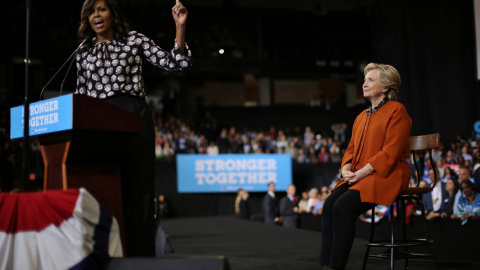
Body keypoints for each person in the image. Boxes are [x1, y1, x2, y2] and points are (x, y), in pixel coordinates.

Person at [75, 0, 191, 256]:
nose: (97, 15)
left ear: (113, 15)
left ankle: (140, 258)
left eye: (101, 9)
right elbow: (80, 96)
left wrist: (179, 27)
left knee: (138, 191)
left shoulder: (133, 40)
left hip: (133, 117)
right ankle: (106, 254)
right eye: (91, 11)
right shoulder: (83, 51)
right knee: (103, 189)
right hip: (99, 123)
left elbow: (176, 63)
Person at [319, 63, 412, 270]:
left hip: (388, 173)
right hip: (361, 174)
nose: (364, 84)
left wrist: (362, 171)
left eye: (371, 80)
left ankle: (335, 267)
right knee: (328, 206)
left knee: (343, 207)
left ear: (386, 87)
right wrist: (345, 169)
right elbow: (351, 149)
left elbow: (391, 152)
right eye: (364, 80)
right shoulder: (362, 116)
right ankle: (325, 266)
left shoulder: (397, 111)